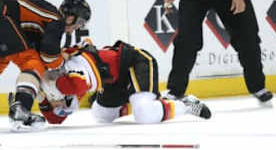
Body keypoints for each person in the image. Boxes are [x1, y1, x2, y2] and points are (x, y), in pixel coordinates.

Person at [0, 0, 90, 131]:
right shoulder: (56, 20)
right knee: (32, 62)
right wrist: (63, 59)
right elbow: (49, 57)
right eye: (79, 22)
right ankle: (21, 109)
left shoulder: (45, 18)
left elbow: (38, 48)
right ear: (70, 17)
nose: (77, 28)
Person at [38, 39, 211, 125]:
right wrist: (42, 99)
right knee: (101, 115)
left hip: (134, 61)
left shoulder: (72, 63)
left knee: (144, 115)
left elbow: (79, 85)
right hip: (114, 81)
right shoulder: (61, 81)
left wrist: (53, 88)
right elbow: (57, 119)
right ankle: (153, 101)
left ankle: (184, 104)